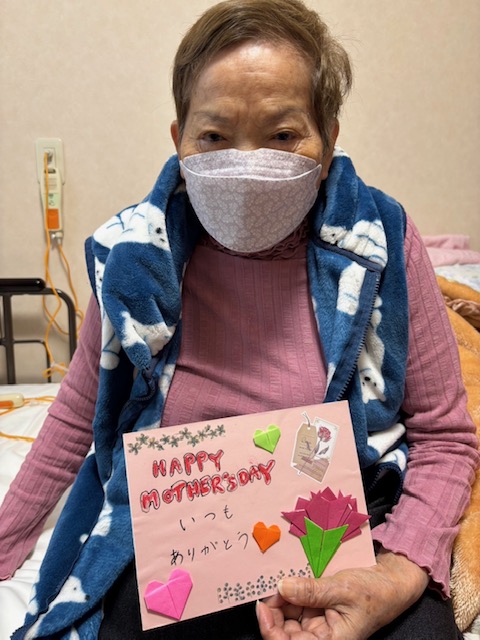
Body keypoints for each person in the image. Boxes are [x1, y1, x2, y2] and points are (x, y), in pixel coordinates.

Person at [0, 1, 478, 638]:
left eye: (282, 137)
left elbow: (445, 437)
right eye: (214, 138)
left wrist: (400, 569)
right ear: (179, 139)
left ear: (329, 139)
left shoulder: (382, 243)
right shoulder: (134, 260)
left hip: (344, 526)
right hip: (180, 534)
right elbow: (74, 420)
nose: (247, 165)